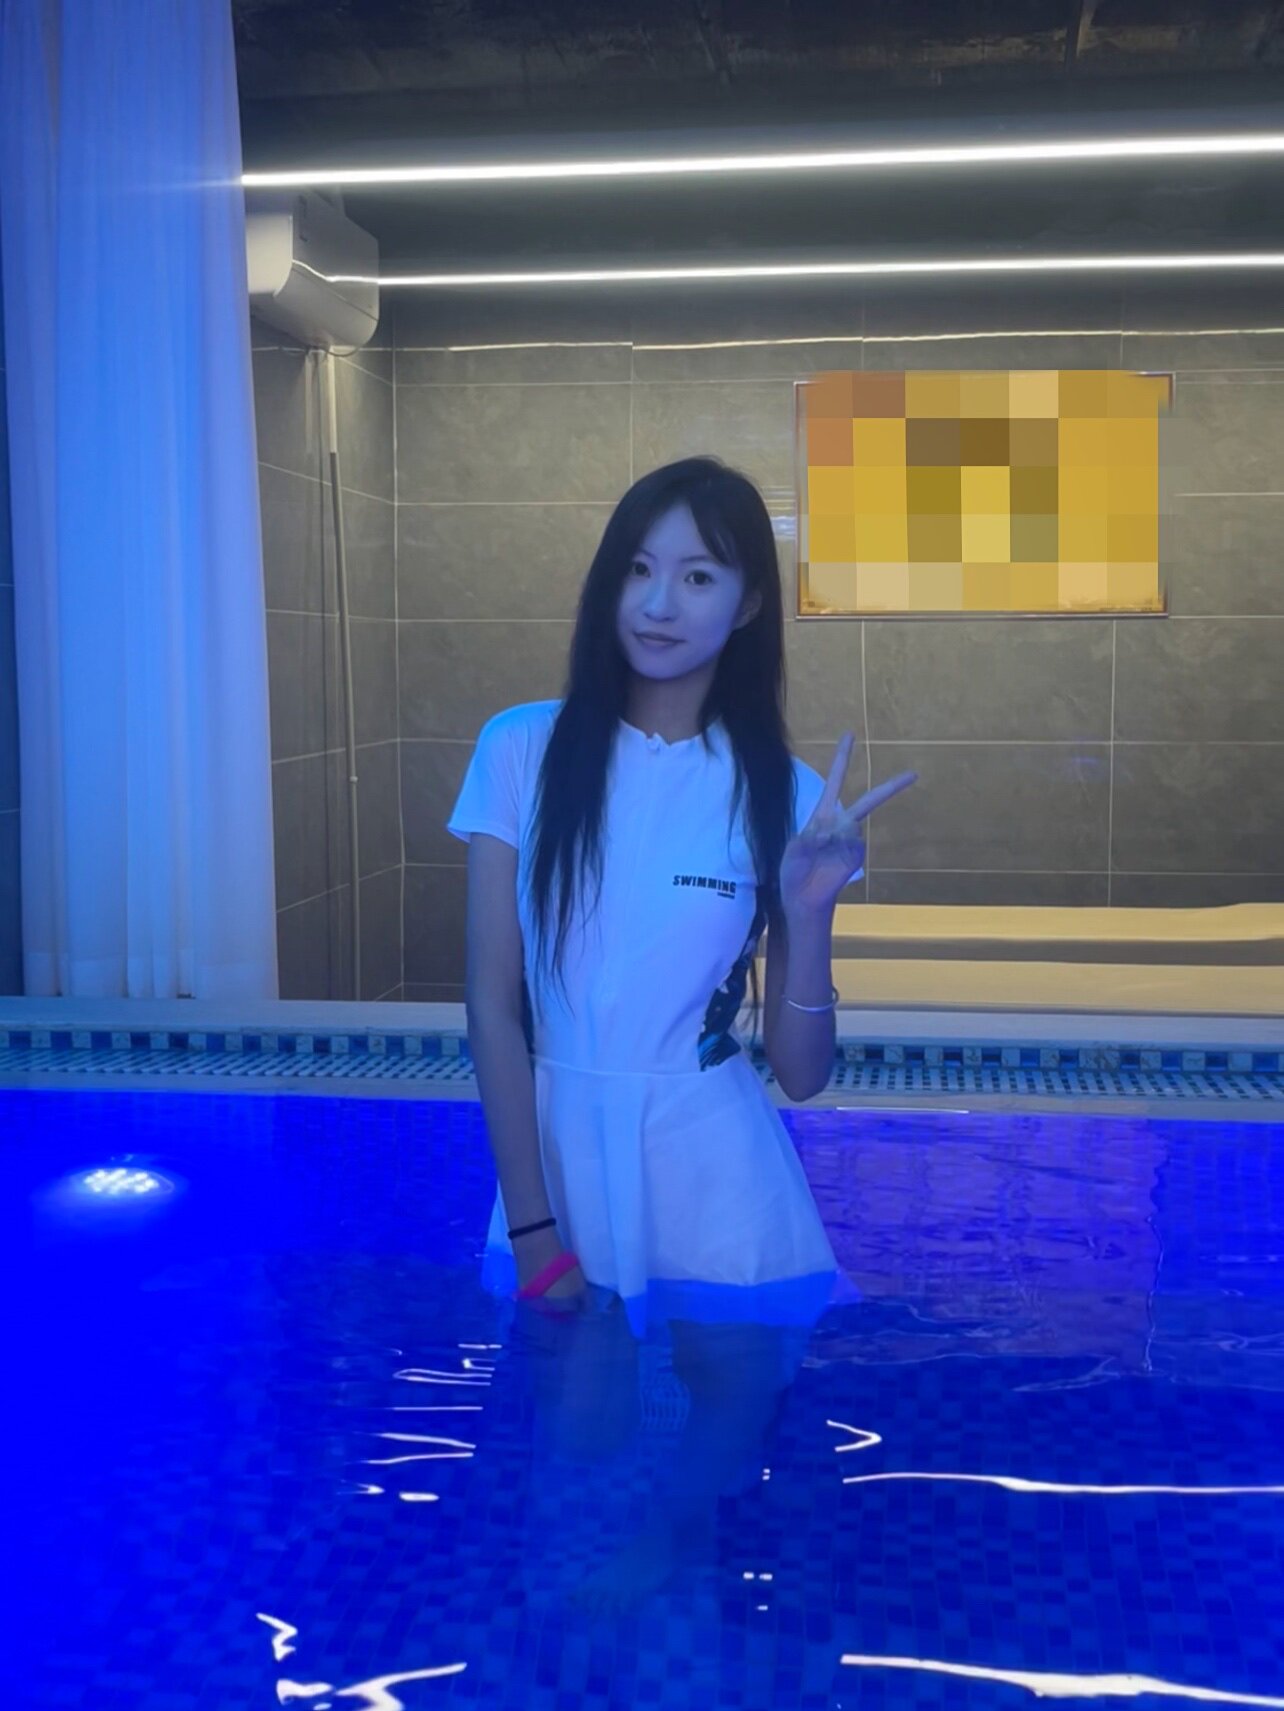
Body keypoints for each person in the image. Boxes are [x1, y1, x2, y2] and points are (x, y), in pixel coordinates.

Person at [446, 456, 916, 1609]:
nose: (660, 604)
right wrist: (535, 1225)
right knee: (583, 1426)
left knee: (735, 1379)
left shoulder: (781, 792)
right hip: (566, 1146)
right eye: (639, 570)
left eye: (699, 576)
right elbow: (492, 1005)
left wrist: (813, 911)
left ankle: (669, 1543)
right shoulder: (521, 748)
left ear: (747, 602)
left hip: (713, 1148)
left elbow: (802, 1075)